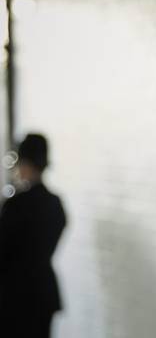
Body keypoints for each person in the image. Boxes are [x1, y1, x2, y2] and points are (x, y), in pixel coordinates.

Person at [0, 133, 66, 338]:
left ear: (24, 162)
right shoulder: (55, 204)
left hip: (14, 296)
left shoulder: (16, 205)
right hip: (42, 292)